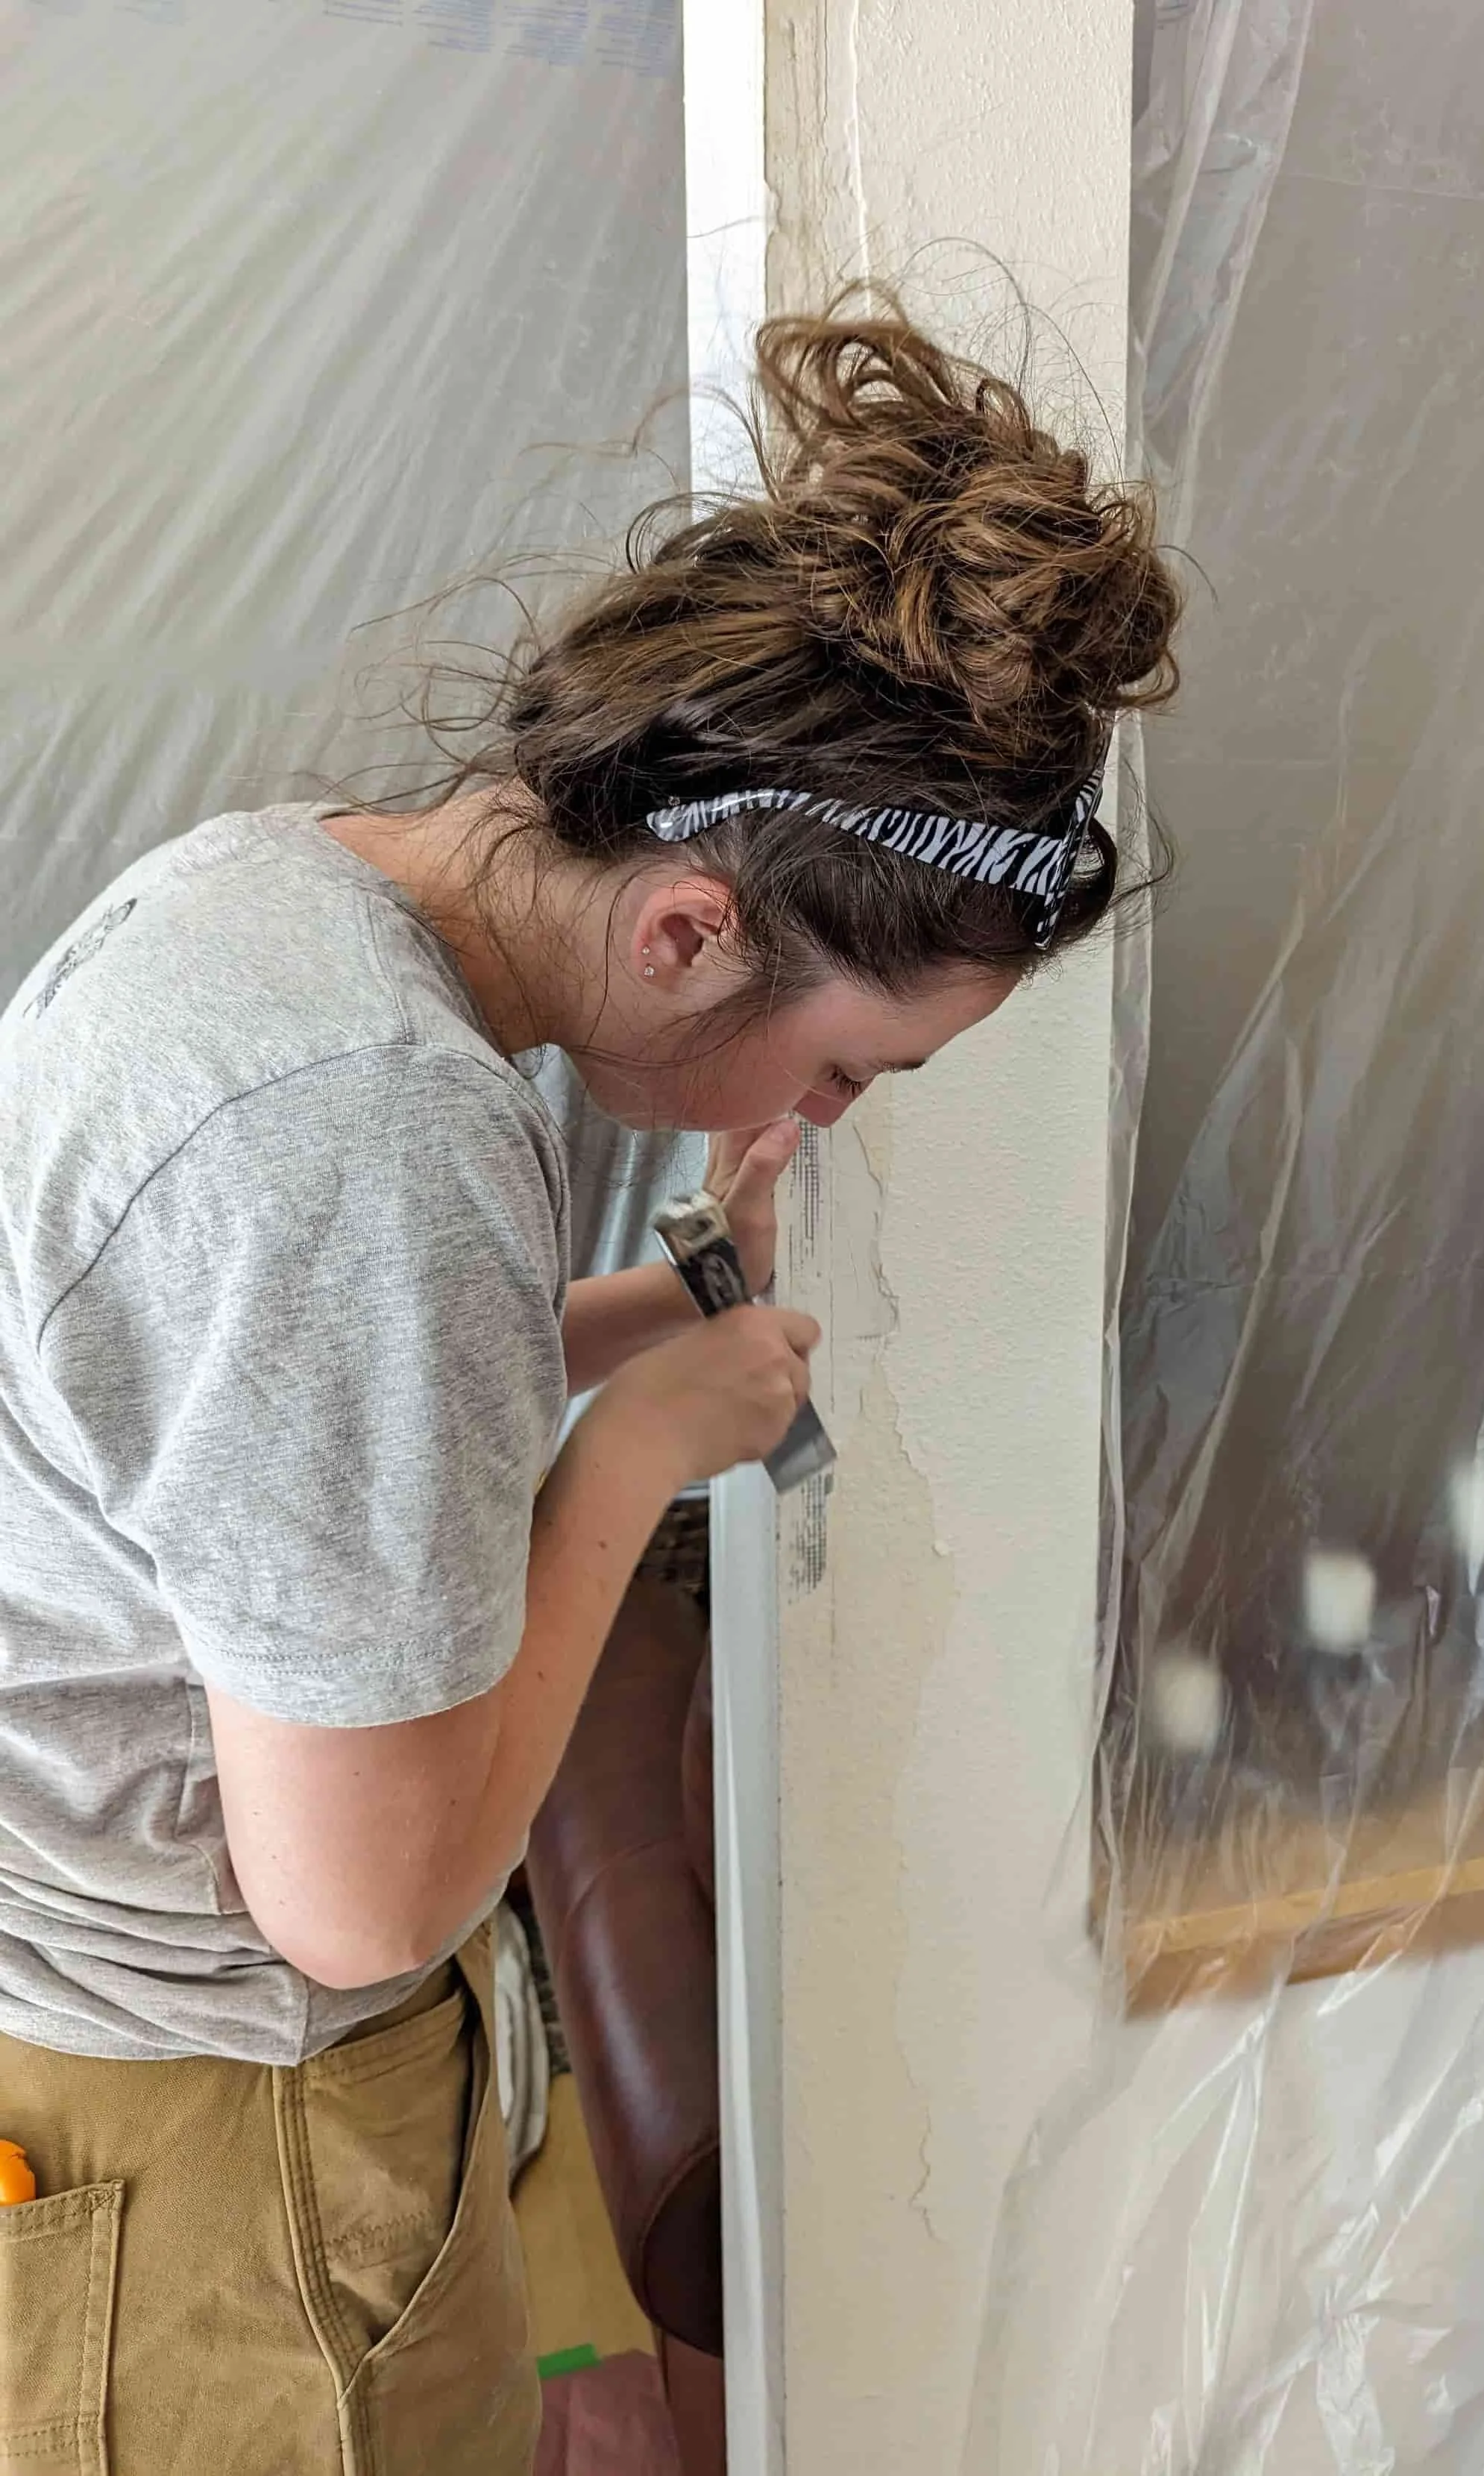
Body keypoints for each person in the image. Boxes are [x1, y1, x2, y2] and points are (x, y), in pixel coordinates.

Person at [0, 303, 1178, 2472]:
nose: (819, 1119)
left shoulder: (281, 896)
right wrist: (638, 1455)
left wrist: (648, 1317)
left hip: (94, 2062)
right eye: (844, 1067)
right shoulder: (365, 1130)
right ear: (682, 931)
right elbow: (361, 1898)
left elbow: (256, 1440)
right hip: (205, 2154)